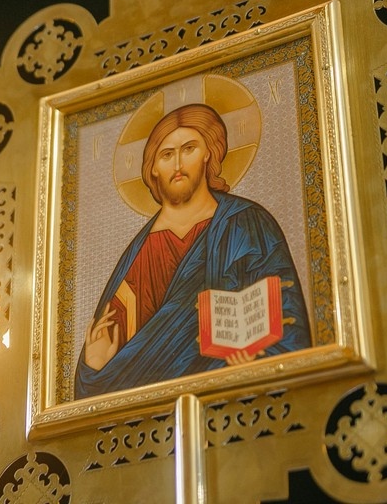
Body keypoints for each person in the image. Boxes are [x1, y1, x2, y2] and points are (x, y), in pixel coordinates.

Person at [74, 103, 311, 399]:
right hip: (145, 414)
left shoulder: (247, 224)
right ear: (153, 168)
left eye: (189, 149)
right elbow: (102, 367)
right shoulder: (139, 252)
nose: (177, 164)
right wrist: (94, 368)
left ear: (208, 154)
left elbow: (287, 322)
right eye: (166, 154)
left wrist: (257, 360)